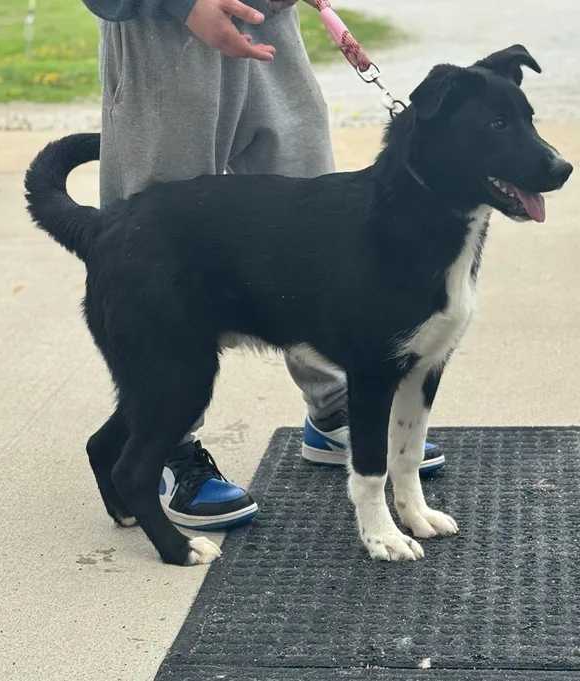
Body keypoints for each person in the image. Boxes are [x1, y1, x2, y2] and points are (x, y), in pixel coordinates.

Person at [81, 0, 445, 531]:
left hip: (271, 22)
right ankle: (164, 445)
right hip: (164, 30)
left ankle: (334, 404)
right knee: (155, 235)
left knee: (319, 228)